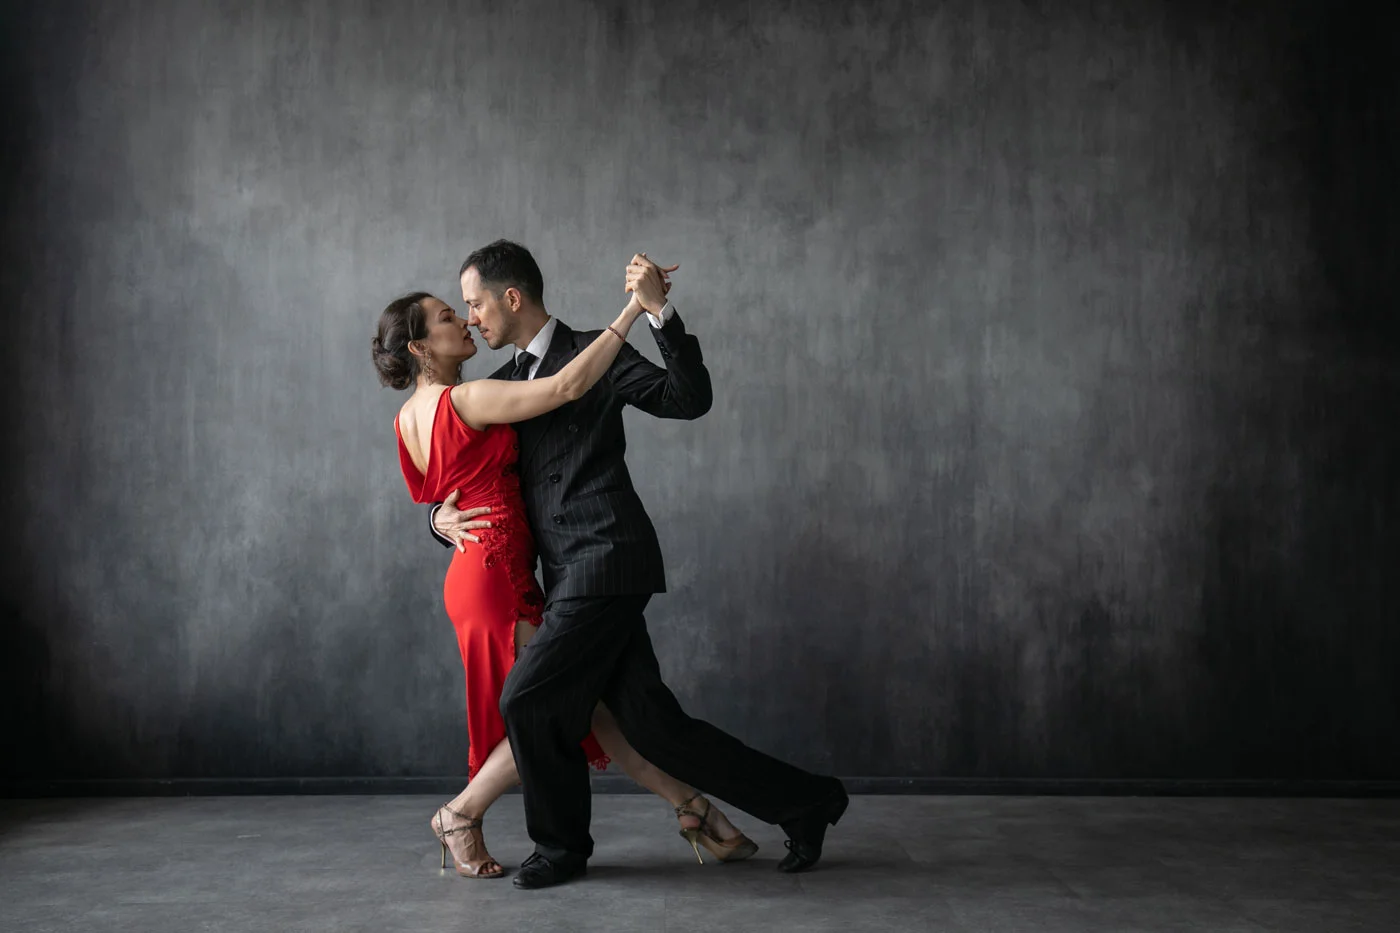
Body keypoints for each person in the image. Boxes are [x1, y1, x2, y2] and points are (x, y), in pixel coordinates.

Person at [431, 241, 847, 890]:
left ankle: (561, 847)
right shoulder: (501, 386)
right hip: (568, 577)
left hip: (607, 559)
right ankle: (808, 801)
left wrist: (660, 316)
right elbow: (460, 478)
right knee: (654, 727)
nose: (472, 317)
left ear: (511, 297)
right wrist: (437, 520)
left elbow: (687, 398)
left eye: (476, 303)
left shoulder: (595, 351)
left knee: (530, 696)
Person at [373, 281, 756, 880]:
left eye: (466, 309)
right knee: (552, 704)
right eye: (450, 317)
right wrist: (633, 310)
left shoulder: (407, 419)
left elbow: (448, 490)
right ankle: (460, 813)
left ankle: (695, 810)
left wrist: (436, 517)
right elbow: (566, 386)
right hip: (497, 571)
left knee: (586, 703)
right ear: (421, 348)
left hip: (476, 572)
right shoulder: (469, 396)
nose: (466, 322)